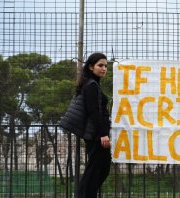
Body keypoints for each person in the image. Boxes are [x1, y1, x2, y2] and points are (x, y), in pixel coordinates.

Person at [76, 52, 111, 198]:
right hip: (97, 135)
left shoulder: (93, 83)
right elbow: (93, 112)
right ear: (91, 67)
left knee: (99, 170)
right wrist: (103, 134)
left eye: (106, 66)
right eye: (100, 65)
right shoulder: (91, 85)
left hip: (97, 134)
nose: (104, 68)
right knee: (96, 170)